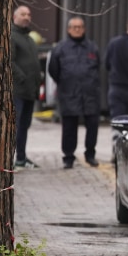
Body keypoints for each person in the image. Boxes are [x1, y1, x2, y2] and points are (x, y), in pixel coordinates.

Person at [47, 17, 101, 169]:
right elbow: (53, 69)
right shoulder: (60, 48)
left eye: (80, 27)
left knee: (92, 126)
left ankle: (90, 155)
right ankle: (68, 157)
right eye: (74, 27)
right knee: (69, 127)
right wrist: (64, 82)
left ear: (84, 29)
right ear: (68, 29)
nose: (77, 29)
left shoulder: (92, 47)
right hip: (68, 93)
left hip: (90, 94)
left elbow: (98, 67)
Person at [11, 5, 42, 170]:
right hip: (18, 90)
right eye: (23, 14)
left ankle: (21, 158)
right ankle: (12, 159)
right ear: (15, 16)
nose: (27, 17)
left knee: (24, 126)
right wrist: (21, 78)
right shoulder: (12, 36)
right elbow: (10, 61)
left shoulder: (29, 38)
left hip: (30, 90)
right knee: (15, 126)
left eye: (29, 14)